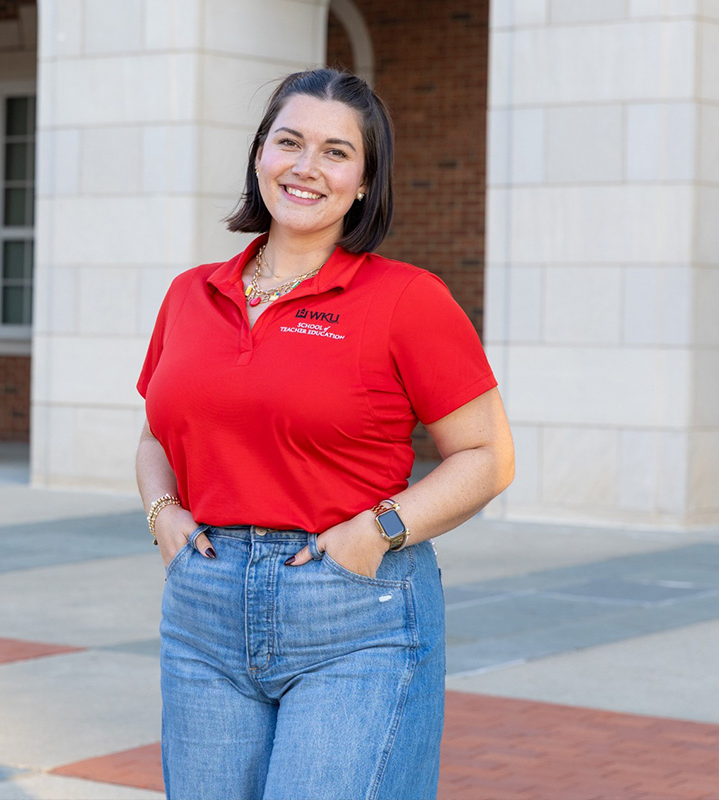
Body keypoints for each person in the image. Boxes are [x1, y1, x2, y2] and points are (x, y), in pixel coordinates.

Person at [135, 68, 514, 800]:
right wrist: (162, 514)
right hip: (203, 609)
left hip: (352, 608)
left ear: (365, 181)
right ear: (260, 157)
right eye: (290, 142)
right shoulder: (191, 293)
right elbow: (156, 433)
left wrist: (377, 532)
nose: (307, 167)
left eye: (337, 152)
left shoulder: (407, 300)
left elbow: (487, 457)